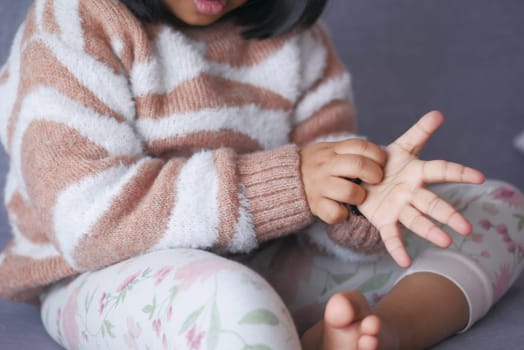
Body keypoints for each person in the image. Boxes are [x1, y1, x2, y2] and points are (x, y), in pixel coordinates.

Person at [0, 0, 522, 349]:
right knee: (234, 300)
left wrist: (360, 200)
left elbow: (322, 225)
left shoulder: (299, 41)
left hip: (269, 255)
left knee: (495, 209)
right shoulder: (73, 23)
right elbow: (87, 223)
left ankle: (380, 334)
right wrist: (291, 181)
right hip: (102, 273)